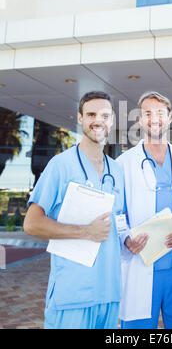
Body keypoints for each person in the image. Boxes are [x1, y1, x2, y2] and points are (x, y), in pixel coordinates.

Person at [23, 91, 124, 329]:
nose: (97, 120)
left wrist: (131, 239)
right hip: (73, 293)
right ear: (79, 118)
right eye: (91, 114)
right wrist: (85, 232)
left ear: (111, 121)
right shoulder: (60, 165)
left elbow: (118, 221)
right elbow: (32, 223)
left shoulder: (117, 170)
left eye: (104, 115)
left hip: (109, 292)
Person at [117, 91, 172, 329]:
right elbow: (117, 212)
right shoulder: (124, 163)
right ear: (140, 119)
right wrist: (125, 239)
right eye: (148, 113)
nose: (155, 119)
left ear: (170, 118)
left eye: (160, 113)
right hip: (140, 262)